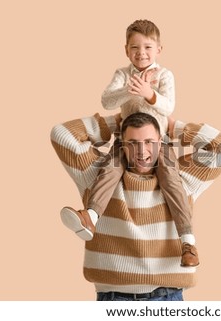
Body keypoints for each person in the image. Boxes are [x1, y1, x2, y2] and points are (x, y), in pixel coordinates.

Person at [50, 112, 221, 300]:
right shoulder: (95, 176)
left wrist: (174, 127)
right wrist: (116, 121)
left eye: (149, 141)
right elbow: (62, 134)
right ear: (122, 145)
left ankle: (188, 243)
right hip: (114, 299)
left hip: (167, 297)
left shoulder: (183, 180)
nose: (141, 151)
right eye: (132, 143)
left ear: (161, 143)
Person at [59, 19, 198, 267]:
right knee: (109, 171)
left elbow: (168, 107)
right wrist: (130, 90)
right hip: (126, 140)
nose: (141, 53)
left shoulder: (165, 75)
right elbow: (107, 101)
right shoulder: (122, 75)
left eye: (147, 47)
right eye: (135, 47)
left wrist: (149, 93)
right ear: (126, 50)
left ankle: (187, 241)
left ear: (158, 50)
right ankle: (91, 216)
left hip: (158, 142)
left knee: (171, 180)